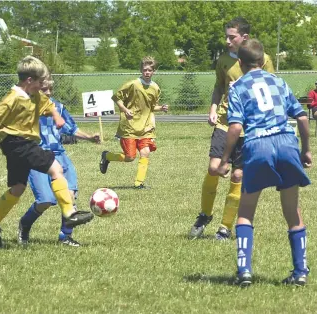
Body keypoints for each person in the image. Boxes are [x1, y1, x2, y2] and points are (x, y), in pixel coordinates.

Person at [217, 39, 312, 286]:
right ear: (262, 61)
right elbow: (302, 117)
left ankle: (244, 272)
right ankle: (300, 272)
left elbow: (236, 126)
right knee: (292, 211)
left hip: (258, 145)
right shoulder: (278, 81)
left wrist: (225, 160)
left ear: (240, 62)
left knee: (246, 211)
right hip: (286, 143)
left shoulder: (238, 87)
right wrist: (306, 150)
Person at [0, 56, 94, 248]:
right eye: (40, 83)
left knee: (18, 188)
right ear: (29, 81)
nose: (43, 88)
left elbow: (50, 106)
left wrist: (58, 118)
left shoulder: (35, 95)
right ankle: (69, 213)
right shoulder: (12, 98)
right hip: (18, 143)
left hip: (19, 146)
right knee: (56, 169)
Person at [188, 17, 275, 240]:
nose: (227, 40)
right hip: (225, 122)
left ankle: (225, 228)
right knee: (214, 167)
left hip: (250, 127)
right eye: (226, 36)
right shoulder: (224, 60)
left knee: (238, 174)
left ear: (244, 38)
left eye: (231, 36)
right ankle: (204, 215)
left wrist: (247, 87)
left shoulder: (263, 59)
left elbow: (270, 88)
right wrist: (213, 108)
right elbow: (219, 86)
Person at [18, 76, 100, 247]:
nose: (48, 93)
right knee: (45, 200)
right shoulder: (26, 107)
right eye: (44, 89)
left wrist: (90, 137)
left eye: (50, 90)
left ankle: (65, 236)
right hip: (36, 156)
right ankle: (24, 225)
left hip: (59, 155)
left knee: (69, 195)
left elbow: (71, 128)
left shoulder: (58, 107)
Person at [99, 56, 168, 189]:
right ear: (141, 70)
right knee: (130, 157)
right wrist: (125, 110)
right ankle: (107, 156)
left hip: (146, 128)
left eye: (149, 70)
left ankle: (139, 183)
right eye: (144, 70)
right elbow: (116, 97)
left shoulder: (155, 88)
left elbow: (151, 107)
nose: (147, 72)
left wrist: (161, 108)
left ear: (154, 71)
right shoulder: (133, 84)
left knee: (145, 152)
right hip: (129, 127)